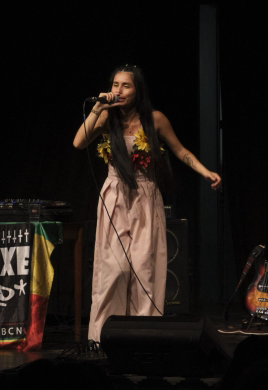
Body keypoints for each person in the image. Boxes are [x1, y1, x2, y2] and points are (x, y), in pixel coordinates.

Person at [73, 64, 221, 342]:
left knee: (143, 269)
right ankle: (103, 337)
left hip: (145, 198)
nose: (118, 90)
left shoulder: (155, 119)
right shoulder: (106, 119)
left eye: (125, 85)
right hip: (115, 197)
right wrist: (98, 108)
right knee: (114, 270)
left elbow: (180, 151)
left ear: (138, 90)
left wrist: (206, 172)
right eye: (115, 85)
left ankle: (143, 336)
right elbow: (79, 142)